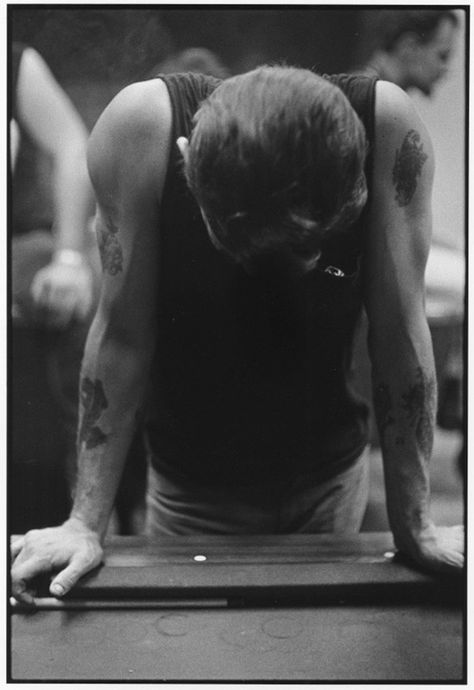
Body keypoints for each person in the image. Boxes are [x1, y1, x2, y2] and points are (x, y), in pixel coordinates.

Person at [11, 64, 464, 604]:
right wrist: (83, 523)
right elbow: (121, 334)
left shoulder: (388, 126)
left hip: (333, 475)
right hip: (190, 488)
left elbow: (398, 327)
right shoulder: (137, 131)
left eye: (314, 248)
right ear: (187, 162)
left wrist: (416, 524)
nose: (304, 269)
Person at [356, 9, 465, 470]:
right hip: (361, 261)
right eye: (442, 54)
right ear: (407, 47)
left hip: (373, 251)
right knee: (463, 281)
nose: (447, 68)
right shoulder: (375, 102)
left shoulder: (376, 95)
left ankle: (455, 390)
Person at [10, 43, 96, 531]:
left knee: (78, 289)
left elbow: (71, 144)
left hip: (17, 247)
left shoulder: (12, 59)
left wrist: (69, 258)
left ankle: (81, 505)